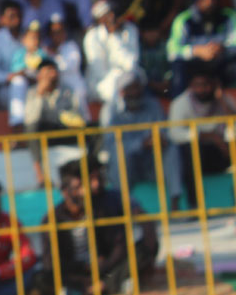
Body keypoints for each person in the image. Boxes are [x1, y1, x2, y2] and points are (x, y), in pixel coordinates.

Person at [41, 159, 158, 295]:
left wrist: (103, 265)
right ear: (65, 192)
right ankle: (100, 287)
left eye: (85, 186)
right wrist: (85, 267)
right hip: (77, 271)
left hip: (105, 268)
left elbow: (119, 243)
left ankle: (100, 287)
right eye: (78, 187)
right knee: (42, 276)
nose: (85, 191)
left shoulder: (101, 207)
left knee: (139, 253)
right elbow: (50, 261)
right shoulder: (52, 219)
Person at [99, 0, 181, 90]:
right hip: (129, 36)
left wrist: (164, 26)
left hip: (158, 34)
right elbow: (106, 17)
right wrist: (140, 34)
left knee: (170, 57)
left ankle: (167, 88)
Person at [99, 70, 182, 209]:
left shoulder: (153, 105)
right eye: (130, 88)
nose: (135, 92)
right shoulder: (110, 110)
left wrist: (160, 139)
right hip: (127, 165)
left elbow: (164, 131)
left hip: (151, 162)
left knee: (171, 149)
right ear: (121, 92)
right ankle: (122, 205)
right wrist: (141, 144)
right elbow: (110, 144)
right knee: (119, 154)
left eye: (137, 87)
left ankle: (175, 202)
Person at [167, 65, 236, 207]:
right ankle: (195, 206)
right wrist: (209, 137)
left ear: (214, 84)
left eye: (206, 85)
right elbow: (175, 134)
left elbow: (233, 124)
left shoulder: (223, 99)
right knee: (190, 152)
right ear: (190, 86)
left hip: (224, 152)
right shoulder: (181, 103)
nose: (202, 89)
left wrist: (221, 99)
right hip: (195, 156)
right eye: (197, 85)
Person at [166, 0, 236, 96]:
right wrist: (196, 51)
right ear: (196, 0)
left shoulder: (229, 16)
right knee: (178, 68)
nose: (209, 3)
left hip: (221, 62)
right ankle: (178, 103)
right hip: (194, 65)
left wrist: (222, 48)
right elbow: (172, 51)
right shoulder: (184, 20)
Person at [23, 58, 87, 185]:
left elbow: (79, 114)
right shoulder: (32, 92)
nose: (52, 74)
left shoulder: (68, 90)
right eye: (48, 71)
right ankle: (40, 175)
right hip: (45, 132)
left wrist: (73, 120)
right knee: (31, 129)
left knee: (95, 129)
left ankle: (93, 170)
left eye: (54, 70)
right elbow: (30, 119)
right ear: (39, 76)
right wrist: (40, 94)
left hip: (66, 129)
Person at [83, 0, 140, 104]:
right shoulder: (92, 36)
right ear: (100, 19)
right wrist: (112, 36)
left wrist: (115, 37)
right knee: (115, 88)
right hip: (101, 83)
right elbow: (99, 72)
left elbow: (131, 65)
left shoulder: (130, 29)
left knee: (139, 79)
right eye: (107, 15)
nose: (112, 18)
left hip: (127, 77)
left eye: (114, 13)